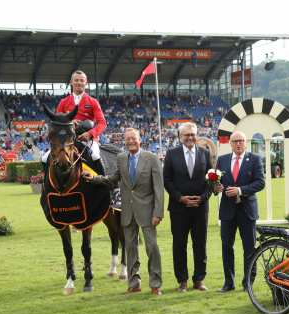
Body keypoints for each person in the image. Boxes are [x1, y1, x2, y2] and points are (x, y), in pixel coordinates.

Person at [83, 128, 164, 296]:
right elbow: (113, 180)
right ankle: (134, 284)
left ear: (140, 140)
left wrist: (158, 212)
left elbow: (158, 188)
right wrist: (94, 178)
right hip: (127, 211)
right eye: (127, 139)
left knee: (152, 247)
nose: (130, 141)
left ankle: (155, 283)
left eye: (133, 138)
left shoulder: (151, 158)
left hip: (148, 212)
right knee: (130, 248)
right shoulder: (121, 158)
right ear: (124, 142)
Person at [163, 122, 212, 292]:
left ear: (196, 136)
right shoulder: (171, 154)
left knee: (200, 245)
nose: (190, 137)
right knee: (179, 245)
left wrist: (203, 198)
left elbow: (211, 180)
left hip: (200, 208)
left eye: (192, 134)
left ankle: (199, 280)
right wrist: (180, 198)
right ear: (179, 137)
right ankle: (182, 280)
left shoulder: (205, 154)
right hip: (179, 209)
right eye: (186, 135)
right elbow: (167, 180)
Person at [214, 131, 265, 292]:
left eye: (241, 141)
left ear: (246, 142)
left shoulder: (255, 159)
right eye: (235, 141)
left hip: (247, 210)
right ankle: (229, 282)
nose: (238, 144)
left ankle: (248, 282)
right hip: (227, 211)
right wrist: (216, 187)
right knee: (226, 246)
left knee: (249, 248)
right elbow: (215, 184)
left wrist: (240, 190)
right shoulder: (222, 160)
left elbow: (260, 183)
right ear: (230, 143)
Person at [44, 70, 107, 174]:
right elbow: (56, 123)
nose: (79, 82)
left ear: (86, 83)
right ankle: (46, 186)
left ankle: (104, 183)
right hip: (67, 140)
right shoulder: (63, 102)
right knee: (44, 158)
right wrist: (70, 122)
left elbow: (102, 123)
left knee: (95, 155)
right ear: (71, 82)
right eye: (76, 80)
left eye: (82, 80)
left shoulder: (93, 101)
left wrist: (90, 134)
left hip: (87, 140)